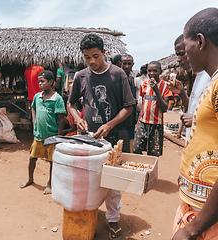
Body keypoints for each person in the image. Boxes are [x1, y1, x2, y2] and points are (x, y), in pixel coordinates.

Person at [67, 34, 135, 239]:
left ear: (104, 53)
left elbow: (129, 107)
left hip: (113, 137)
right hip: (88, 138)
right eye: (87, 57)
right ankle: (88, 214)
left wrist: (109, 124)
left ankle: (113, 219)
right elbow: (70, 104)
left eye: (96, 56)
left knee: (112, 183)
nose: (92, 61)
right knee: (86, 179)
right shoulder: (80, 76)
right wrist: (77, 118)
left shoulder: (118, 74)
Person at [171, 8, 218, 240]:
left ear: (199, 41)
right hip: (198, 208)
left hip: (206, 219)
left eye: (186, 46)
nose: (183, 55)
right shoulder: (212, 82)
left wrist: (192, 229)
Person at [20, 70, 66, 195]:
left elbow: (61, 120)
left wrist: (58, 136)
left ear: (51, 82)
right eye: (39, 81)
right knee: (32, 158)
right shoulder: (37, 97)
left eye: (43, 81)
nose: (40, 84)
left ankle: (50, 183)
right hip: (38, 135)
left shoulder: (57, 99)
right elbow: (33, 108)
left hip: (51, 136)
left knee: (52, 162)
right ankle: (30, 178)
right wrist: (34, 122)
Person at [167, 34, 211, 143]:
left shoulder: (211, 77)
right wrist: (182, 93)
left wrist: (197, 121)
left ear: (200, 44)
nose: (178, 59)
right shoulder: (199, 76)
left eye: (182, 54)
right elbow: (192, 110)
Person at [132, 61, 172, 157]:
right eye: (149, 71)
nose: (152, 73)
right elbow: (144, 105)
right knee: (136, 149)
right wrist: (138, 123)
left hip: (156, 124)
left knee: (153, 154)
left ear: (161, 71)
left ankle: (150, 171)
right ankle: (143, 169)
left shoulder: (166, 86)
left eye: (155, 71)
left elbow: (164, 108)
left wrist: (156, 91)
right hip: (143, 122)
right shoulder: (144, 85)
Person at [120, 54, 137, 152]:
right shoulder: (118, 78)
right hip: (121, 115)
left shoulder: (132, 78)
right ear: (120, 64)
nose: (126, 66)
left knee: (130, 138)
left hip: (131, 115)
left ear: (132, 64)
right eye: (124, 63)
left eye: (129, 64)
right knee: (121, 140)